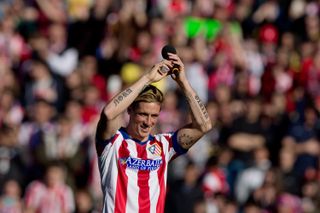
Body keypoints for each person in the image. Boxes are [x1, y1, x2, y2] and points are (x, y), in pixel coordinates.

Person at [95, 52, 212, 213]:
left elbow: (204, 126)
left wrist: (183, 81)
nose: (148, 122)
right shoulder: (113, 143)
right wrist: (148, 78)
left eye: (154, 116)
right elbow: (108, 113)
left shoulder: (164, 145)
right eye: (143, 114)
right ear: (130, 110)